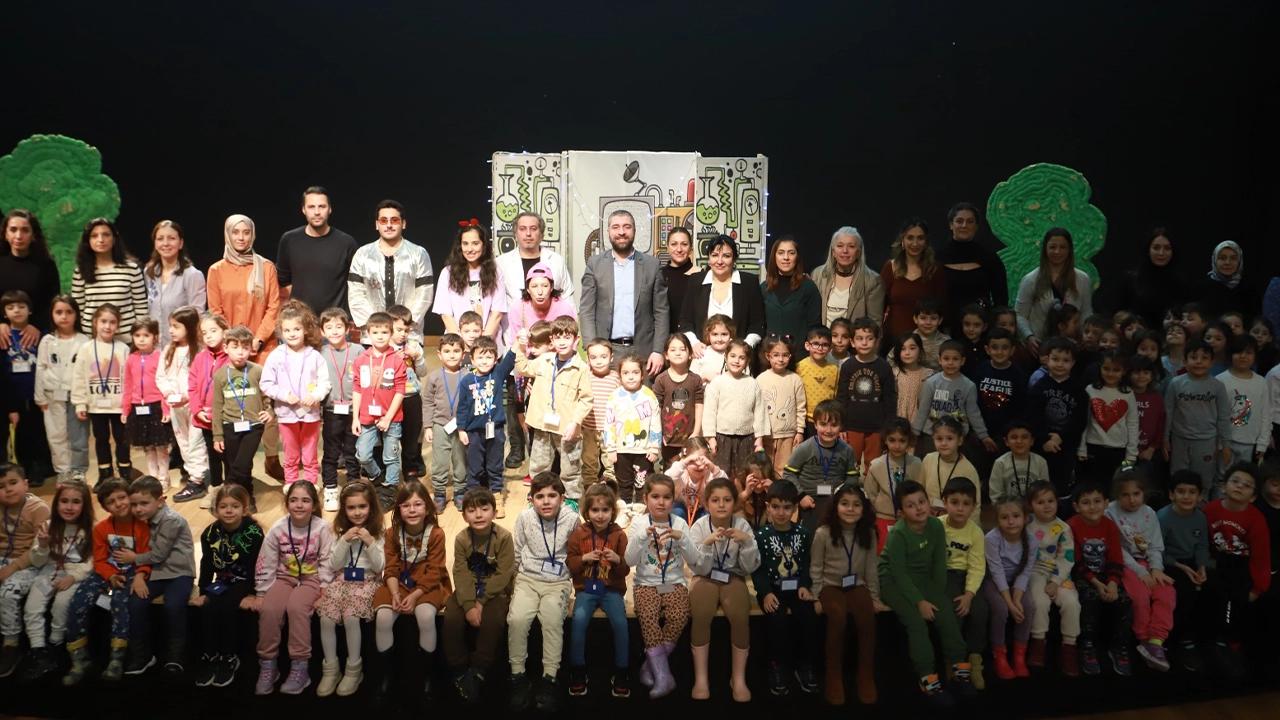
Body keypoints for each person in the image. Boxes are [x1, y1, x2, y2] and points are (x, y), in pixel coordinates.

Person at [878, 480, 976, 708]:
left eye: (922, 501)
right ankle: (928, 679)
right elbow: (899, 574)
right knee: (916, 623)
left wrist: (936, 594)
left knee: (947, 613)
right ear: (901, 512)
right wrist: (920, 602)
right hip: (893, 581)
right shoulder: (898, 534)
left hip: (923, 578)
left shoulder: (935, 526)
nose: (919, 508)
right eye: (911, 505)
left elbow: (939, 563)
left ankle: (959, 670)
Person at [206, 214, 283, 480]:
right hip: (232, 349)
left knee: (266, 403)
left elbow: (274, 307)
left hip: (262, 347)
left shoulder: (266, 267)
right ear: (228, 235)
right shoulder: (216, 270)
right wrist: (234, 344)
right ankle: (238, 466)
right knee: (233, 400)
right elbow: (215, 311)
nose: (241, 237)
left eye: (246, 232)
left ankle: (271, 458)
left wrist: (256, 340)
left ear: (253, 235)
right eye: (236, 232)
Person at [246, 481, 334, 695]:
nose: (299, 505)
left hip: (311, 578)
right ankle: (268, 665)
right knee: (270, 609)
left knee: (297, 607)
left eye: (305, 500)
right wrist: (261, 592)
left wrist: (325, 588)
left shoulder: (322, 528)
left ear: (314, 505)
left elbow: (327, 560)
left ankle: (300, 667)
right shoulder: (278, 528)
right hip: (284, 577)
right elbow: (266, 561)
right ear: (287, 504)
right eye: (293, 500)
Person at [61, 477, 150, 685]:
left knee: (120, 603)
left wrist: (141, 574)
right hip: (106, 573)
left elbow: (147, 557)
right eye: (111, 501)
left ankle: (117, 659)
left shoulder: (143, 527)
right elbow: (100, 560)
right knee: (78, 601)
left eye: (122, 497)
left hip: (132, 572)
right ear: (105, 507)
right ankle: (79, 659)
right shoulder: (101, 529)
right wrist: (110, 575)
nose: (119, 504)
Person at [371, 480, 450, 706]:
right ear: (398, 509)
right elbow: (391, 568)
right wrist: (395, 593)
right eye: (406, 505)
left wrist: (414, 596)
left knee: (425, 616)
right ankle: (387, 676)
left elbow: (435, 571)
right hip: (399, 582)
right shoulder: (391, 533)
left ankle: (427, 676)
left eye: (417, 504)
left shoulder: (436, 534)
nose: (412, 510)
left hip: (426, 583)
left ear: (427, 507)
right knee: (383, 618)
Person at [507, 472, 579, 712]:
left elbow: (576, 554)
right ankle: (517, 676)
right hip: (527, 579)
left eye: (552, 496)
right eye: (540, 496)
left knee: (552, 620)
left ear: (562, 498)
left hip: (558, 582)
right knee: (517, 619)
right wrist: (510, 584)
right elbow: (517, 551)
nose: (546, 501)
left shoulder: (572, 519)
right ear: (531, 499)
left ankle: (549, 678)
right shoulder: (524, 518)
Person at [624, 473, 699, 699]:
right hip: (645, 583)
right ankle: (664, 676)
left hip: (674, 582)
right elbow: (629, 560)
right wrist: (640, 538)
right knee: (647, 616)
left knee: (680, 615)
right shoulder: (638, 523)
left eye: (666, 497)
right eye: (655, 497)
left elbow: (694, 560)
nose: (661, 502)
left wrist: (682, 539)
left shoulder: (680, 523)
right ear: (645, 498)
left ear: (673, 500)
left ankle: (652, 667)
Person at [687, 478, 761, 702]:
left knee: (739, 615)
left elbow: (749, 567)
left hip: (733, 576)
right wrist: (707, 544)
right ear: (706, 503)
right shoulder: (699, 526)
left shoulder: (742, 525)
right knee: (701, 614)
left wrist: (747, 543)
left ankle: (738, 679)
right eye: (715, 500)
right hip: (704, 576)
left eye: (727, 500)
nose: (721, 505)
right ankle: (701, 679)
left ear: (734, 502)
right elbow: (697, 566)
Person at [18, 479, 94, 683]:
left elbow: (91, 562)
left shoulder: (90, 530)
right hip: (49, 571)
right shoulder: (48, 526)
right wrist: (42, 546)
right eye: (64, 501)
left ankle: (55, 645)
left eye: (76, 502)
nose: (69, 507)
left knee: (61, 605)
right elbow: (37, 561)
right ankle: (38, 650)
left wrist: (73, 577)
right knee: (32, 607)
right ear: (56, 503)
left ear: (85, 505)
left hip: (75, 574)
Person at [812, 483, 881, 705]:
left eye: (856, 505)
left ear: (864, 508)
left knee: (867, 618)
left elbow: (871, 568)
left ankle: (865, 675)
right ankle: (833, 676)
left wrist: (874, 596)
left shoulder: (868, 532)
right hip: (830, 586)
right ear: (835, 506)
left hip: (857, 585)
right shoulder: (823, 533)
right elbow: (816, 567)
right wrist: (816, 595)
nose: (850, 509)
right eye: (844, 503)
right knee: (838, 617)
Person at [444, 488, 515, 703]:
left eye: (484, 509)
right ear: (464, 515)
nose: (478, 515)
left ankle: (478, 669)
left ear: (494, 512)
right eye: (472, 510)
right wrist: (468, 605)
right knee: (451, 617)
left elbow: (504, 574)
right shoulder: (462, 538)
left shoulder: (504, 537)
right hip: (469, 587)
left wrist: (481, 603)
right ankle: (458, 668)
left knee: (493, 620)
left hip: (495, 590)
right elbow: (460, 572)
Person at [579, 209, 669, 376]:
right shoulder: (595, 264)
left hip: (644, 354)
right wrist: (592, 348)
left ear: (634, 230)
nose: (621, 232)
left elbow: (661, 312)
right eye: (616, 227)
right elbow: (586, 310)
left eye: (627, 227)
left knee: (644, 394)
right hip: (605, 354)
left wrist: (658, 350)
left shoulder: (652, 265)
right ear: (608, 231)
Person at [121, 476, 196, 677]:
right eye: (134, 504)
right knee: (136, 603)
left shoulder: (171, 520)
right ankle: (142, 654)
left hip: (179, 573)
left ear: (160, 501)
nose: (138, 509)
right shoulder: (140, 520)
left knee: (173, 606)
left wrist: (133, 558)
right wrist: (139, 574)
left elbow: (158, 554)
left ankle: (176, 656)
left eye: (144, 503)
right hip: (154, 572)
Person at [190, 484, 263, 688]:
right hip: (222, 581)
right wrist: (204, 591)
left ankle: (229, 656)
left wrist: (254, 593)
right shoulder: (210, 533)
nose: (229, 511)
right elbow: (207, 563)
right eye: (223, 506)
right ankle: (210, 654)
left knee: (227, 606)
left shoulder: (253, 532)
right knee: (209, 606)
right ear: (216, 510)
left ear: (245, 509)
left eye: (235, 506)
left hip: (245, 581)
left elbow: (257, 565)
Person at [515, 315, 593, 504]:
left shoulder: (581, 368)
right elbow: (523, 368)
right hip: (542, 425)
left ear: (576, 340)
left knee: (570, 467)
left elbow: (586, 399)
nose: (562, 342)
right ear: (551, 340)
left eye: (567, 337)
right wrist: (520, 347)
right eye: (558, 337)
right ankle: (537, 496)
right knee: (538, 465)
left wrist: (575, 422)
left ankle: (572, 500)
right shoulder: (544, 360)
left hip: (567, 428)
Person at [752, 480, 818, 698]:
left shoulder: (803, 533)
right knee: (776, 621)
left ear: (795, 508)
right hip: (773, 590)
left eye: (787, 507)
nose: (781, 512)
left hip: (797, 589)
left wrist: (805, 585)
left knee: (808, 617)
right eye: (776, 507)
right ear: (768, 507)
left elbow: (807, 563)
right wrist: (765, 592)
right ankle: (777, 666)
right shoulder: (761, 535)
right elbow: (758, 569)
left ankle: (805, 664)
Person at [565, 483, 631, 698]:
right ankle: (578, 670)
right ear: (587, 511)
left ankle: (621, 671)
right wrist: (584, 558)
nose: (600, 515)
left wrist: (618, 559)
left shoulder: (619, 535)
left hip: (611, 590)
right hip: (586, 589)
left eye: (605, 510)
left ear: (613, 511)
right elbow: (571, 564)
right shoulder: (579, 533)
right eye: (595, 510)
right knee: (578, 621)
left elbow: (625, 570)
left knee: (621, 623)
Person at [1204, 463, 1271, 675]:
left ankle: (1232, 643)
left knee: (1238, 601)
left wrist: (1258, 587)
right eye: (1235, 481)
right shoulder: (1210, 509)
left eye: (1247, 485)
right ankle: (1211, 640)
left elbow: (1261, 557)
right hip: (1215, 562)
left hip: (1241, 565)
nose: (1239, 486)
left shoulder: (1256, 519)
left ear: (1253, 496)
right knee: (1213, 595)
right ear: (1224, 486)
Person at [1106, 470, 1176, 672]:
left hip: (1147, 563)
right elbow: (1117, 549)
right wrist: (1140, 571)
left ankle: (1156, 642)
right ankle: (1144, 639)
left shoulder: (1149, 513)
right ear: (1117, 496)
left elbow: (1155, 546)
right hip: (1125, 564)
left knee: (1167, 592)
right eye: (1125, 495)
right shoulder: (1110, 512)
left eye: (1136, 494)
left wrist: (1156, 569)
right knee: (1140, 596)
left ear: (1143, 493)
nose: (1132, 500)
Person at [260, 301, 330, 492]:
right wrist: (283, 395)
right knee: (290, 452)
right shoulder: (276, 356)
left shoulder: (315, 356)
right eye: (287, 330)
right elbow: (266, 383)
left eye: (296, 329)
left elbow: (324, 382)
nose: (292, 334)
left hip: (310, 413)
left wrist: (315, 395)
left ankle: (311, 482)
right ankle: (290, 481)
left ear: (305, 329)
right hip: (286, 414)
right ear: (281, 332)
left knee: (310, 450)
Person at [1069, 482, 1135, 676]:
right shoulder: (1071, 526)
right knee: (1089, 598)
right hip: (1082, 575)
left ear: (1106, 503)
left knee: (1124, 600)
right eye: (1086, 502)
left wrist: (1113, 583)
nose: (1092, 507)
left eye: (1097, 501)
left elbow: (1116, 559)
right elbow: (1076, 563)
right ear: (1076, 506)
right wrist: (1097, 584)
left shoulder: (1110, 526)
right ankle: (1087, 644)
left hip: (1107, 574)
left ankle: (1119, 645)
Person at [347, 199, 435, 345]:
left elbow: (424, 294)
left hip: (408, 335)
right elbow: (356, 295)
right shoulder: (362, 254)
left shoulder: (418, 254)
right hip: (373, 337)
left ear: (403, 223)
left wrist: (405, 325)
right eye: (383, 220)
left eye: (394, 220)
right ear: (377, 224)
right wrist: (376, 327)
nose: (389, 225)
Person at [350, 312, 408, 509]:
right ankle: (377, 478)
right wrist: (355, 418)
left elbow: (400, 391)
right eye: (375, 332)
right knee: (363, 455)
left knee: (390, 456)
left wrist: (388, 418)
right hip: (367, 416)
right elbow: (357, 389)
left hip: (391, 418)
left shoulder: (396, 360)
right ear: (368, 334)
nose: (380, 336)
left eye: (384, 332)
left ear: (390, 333)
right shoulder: (361, 360)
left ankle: (391, 489)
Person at [1025, 480, 1081, 675]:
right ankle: (1038, 642)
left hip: (1059, 572)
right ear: (1031, 505)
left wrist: (1056, 582)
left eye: (1050, 501)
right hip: (1034, 571)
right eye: (1040, 502)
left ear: (1057, 502)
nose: (1046, 506)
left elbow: (1067, 557)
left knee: (1072, 602)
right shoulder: (1027, 524)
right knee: (1039, 601)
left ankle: (1069, 647)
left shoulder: (1063, 528)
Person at [211, 327, 272, 507]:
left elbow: (268, 395)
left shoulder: (257, 371)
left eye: (245, 348)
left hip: (254, 425)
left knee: (243, 463)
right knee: (233, 463)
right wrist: (217, 435)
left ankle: (228, 492)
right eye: (235, 347)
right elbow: (217, 406)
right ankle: (243, 497)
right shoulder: (220, 375)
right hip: (230, 425)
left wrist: (269, 411)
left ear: (251, 349)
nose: (240, 352)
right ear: (225, 348)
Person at [0, 464, 51, 677]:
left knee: (7, 592)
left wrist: (12, 568)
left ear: (26, 484)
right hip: (3, 558)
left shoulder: (38, 509)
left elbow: (39, 551)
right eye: (1, 486)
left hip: (29, 563)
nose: (8, 489)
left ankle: (11, 643)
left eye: (13, 483)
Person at [70, 304, 132, 479]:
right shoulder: (86, 348)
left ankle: (125, 472)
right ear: (95, 323)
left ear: (118, 325)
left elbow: (129, 379)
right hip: (96, 406)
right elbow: (78, 377)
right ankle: (105, 474)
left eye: (112, 322)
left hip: (119, 406)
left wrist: (128, 404)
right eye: (103, 321)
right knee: (101, 439)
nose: (107, 326)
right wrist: (80, 403)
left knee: (122, 439)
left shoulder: (123, 348)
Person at [275, 186, 359, 315]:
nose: (317, 212)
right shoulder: (289, 240)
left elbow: (357, 285)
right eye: (311, 207)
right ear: (303, 209)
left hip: (334, 321)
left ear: (330, 209)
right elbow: (283, 282)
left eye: (322, 206)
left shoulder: (346, 243)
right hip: (300, 320)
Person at [456, 337, 517, 514]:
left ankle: (496, 497)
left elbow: (509, 360)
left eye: (489, 357)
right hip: (474, 432)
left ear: (495, 359)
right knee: (475, 467)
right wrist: (461, 429)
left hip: (495, 431)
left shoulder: (497, 374)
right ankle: (474, 499)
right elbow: (462, 407)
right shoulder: (466, 381)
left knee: (495, 465)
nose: (484, 361)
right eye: (480, 357)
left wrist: (517, 343)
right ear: (472, 359)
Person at [678, 234, 766, 355]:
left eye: (726, 256)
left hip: (740, 357)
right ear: (709, 259)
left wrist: (745, 346)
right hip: (702, 356)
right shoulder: (695, 281)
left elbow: (757, 324)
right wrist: (694, 343)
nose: (719, 261)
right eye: (714, 255)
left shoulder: (749, 283)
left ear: (734, 259)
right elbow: (685, 321)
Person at [939, 477, 989, 687]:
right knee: (955, 610)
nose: (960, 508)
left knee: (980, 610)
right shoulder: (937, 525)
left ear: (973, 507)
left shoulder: (975, 532)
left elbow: (977, 566)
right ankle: (954, 659)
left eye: (966, 503)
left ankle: (975, 659)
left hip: (968, 576)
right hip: (945, 574)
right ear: (944, 502)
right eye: (954, 502)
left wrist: (969, 594)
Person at [173, 313, 228, 504]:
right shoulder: (200, 358)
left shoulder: (230, 357)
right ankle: (215, 490)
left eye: (213, 331)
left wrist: (220, 413)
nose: (209, 336)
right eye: (205, 333)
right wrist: (197, 410)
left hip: (225, 418)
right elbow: (193, 386)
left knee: (227, 456)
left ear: (224, 331)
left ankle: (231, 492)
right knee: (212, 456)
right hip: (204, 418)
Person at [1164, 339, 1231, 493]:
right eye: (1194, 357)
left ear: (1212, 362)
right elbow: (1168, 413)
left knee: (1204, 479)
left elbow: (1223, 417)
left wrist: (1225, 445)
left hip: (1206, 441)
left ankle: (1202, 504)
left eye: (1204, 358)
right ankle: (1177, 504)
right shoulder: (1175, 383)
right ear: (1184, 361)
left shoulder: (1217, 386)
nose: (1199, 362)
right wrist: (1165, 439)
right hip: (1180, 439)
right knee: (1178, 476)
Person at [34, 295, 89, 483]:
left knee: (79, 436)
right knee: (56, 435)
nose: (64, 316)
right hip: (51, 395)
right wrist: (39, 396)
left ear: (76, 314)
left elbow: (86, 371)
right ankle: (63, 470)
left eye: (69, 312)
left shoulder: (83, 341)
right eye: (59, 312)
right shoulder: (47, 341)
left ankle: (78, 470)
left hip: (76, 396)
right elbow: (41, 368)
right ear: (52, 314)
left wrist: (85, 398)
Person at [783, 400, 859, 530]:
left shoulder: (847, 450)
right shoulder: (804, 448)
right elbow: (788, 474)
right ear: (815, 425)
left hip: (836, 501)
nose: (828, 430)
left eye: (834, 425)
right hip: (809, 500)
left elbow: (853, 477)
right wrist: (801, 496)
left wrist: (843, 496)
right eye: (823, 424)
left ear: (841, 426)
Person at [2, 290, 52, 483]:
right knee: (21, 433)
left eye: (21, 306)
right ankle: (27, 468)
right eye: (11, 307)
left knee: (39, 429)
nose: (17, 311)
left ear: (30, 310)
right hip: (14, 392)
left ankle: (43, 466)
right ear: (4, 313)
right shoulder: (4, 335)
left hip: (37, 391)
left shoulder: (40, 335)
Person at [70, 218, 148, 342]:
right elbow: (78, 309)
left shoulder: (131, 269)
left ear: (114, 238)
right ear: (88, 241)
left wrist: (140, 336)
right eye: (94, 236)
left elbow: (141, 307)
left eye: (106, 235)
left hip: (126, 340)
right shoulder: (80, 271)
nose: (101, 240)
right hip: (92, 340)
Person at [1015, 227, 1094, 350]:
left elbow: (1086, 312)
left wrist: (1085, 335)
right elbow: (1020, 315)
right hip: (1040, 346)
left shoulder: (1082, 279)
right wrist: (1029, 337)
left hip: (1072, 347)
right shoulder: (1030, 280)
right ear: (1045, 249)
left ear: (1069, 250)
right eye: (1052, 247)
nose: (1057, 251)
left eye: (1063, 247)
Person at [984, 498, 1037, 680]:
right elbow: (996, 571)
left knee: (1028, 606)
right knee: (1001, 608)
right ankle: (999, 653)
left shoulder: (1031, 540)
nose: (1011, 521)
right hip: (993, 581)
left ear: (1025, 518)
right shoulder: (991, 539)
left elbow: (1025, 571)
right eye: (1004, 517)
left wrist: (1017, 599)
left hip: (1016, 581)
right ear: (997, 520)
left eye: (1016, 516)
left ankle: (1019, 654)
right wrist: (1010, 603)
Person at [1029, 337, 1088, 498]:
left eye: (1065, 360)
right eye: (1055, 359)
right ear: (1047, 360)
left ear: (1073, 363)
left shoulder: (1079, 390)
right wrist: (1045, 439)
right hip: (1042, 444)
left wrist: (1061, 437)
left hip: (1066, 446)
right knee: (1040, 485)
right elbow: (1033, 416)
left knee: (1061, 485)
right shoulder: (1039, 387)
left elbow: (1079, 420)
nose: (1060, 364)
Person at [703, 340, 769, 481]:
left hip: (746, 439)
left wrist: (759, 439)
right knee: (721, 474)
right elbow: (709, 411)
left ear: (747, 361)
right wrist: (710, 438)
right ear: (726, 357)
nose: (736, 361)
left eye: (741, 357)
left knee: (743, 475)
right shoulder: (717, 382)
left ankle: (743, 495)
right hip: (722, 438)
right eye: (733, 356)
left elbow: (759, 412)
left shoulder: (753, 383)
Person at [433, 220, 508, 343]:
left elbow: (497, 313)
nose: (470, 249)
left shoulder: (495, 272)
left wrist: (482, 344)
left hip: (488, 344)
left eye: (475, 243)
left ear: (484, 245)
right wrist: (461, 343)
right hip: (457, 344)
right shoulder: (447, 273)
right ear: (460, 246)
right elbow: (446, 314)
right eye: (465, 244)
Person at [497, 212, 575, 328]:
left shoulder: (557, 261)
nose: (528, 233)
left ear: (541, 234)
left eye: (533, 229)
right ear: (515, 234)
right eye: (522, 229)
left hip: (552, 331)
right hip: (515, 331)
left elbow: (567, 298)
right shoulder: (501, 263)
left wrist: (572, 330)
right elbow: (497, 304)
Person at [156, 307, 205, 492]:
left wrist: (189, 396)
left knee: (196, 441)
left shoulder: (200, 351)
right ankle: (192, 475)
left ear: (189, 327)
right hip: (176, 405)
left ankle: (198, 478)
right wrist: (169, 393)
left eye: (176, 326)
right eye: (170, 326)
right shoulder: (168, 350)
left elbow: (203, 380)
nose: (171, 330)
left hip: (195, 405)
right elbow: (161, 376)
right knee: (182, 441)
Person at [837, 318, 895, 472]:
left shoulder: (884, 367)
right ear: (852, 342)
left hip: (877, 427)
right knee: (850, 464)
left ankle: (871, 488)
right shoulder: (848, 366)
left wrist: (888, 427)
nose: (864, 343)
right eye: (859, 338)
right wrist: (841, 425)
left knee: (874, 466)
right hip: (851, 425)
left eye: (869, 339)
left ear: (877, 342)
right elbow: (841, 397)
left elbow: (890, 399)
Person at [605, 354, 663, 504]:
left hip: (644, 451)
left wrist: (654, 447)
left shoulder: (649, 396)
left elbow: (655, 423)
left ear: (642, 375)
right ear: (620, 376)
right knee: (624, 485)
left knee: (642, 484)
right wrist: (610, 448)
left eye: (635, 372)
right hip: (621, 451)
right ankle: (626, 511)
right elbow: (609, 423)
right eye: (626, 373)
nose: (631, 377)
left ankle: (641, 511)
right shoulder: (614, 397)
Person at [938, 202, 1007, 330]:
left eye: (970, 221)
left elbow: (1001, 299)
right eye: (959, 221)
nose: (964, 225)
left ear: (976, 226)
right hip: (945, 329)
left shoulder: (990, 258)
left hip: (980, 329)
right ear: (951, 225)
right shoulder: (937, 257)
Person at [1078, 351, 1140, 486]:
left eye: (1116, 370)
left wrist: (1131, 455)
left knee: (1114, 486)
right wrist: (1082, 447)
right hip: (1093, 447)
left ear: (1124, 371)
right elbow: (1083, 421)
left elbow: (1133, 424)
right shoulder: (1090, 390)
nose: (1110, 374)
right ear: (1100, 368)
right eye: (1106, 369)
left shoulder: (1128, 393)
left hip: (1118, 450)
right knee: (1091, 485)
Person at [318, 308, 359, 510]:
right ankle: (331, 488)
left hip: (354, 410)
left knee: (352, 450)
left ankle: (353, 486)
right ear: (322, 331)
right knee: (331, 451)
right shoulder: (319, 353)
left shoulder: (358, 351)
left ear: (348, 328)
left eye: (339, 326)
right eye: (329, 327)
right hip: (331, 410)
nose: (334, 331)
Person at [0, 209, 61, 344]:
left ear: (33, 235)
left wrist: (37, 325)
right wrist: (0, 323)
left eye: (25, 230)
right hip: (3, 335)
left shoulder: (46, 265)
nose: (18, 236)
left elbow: (52, 301)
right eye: (13, 230)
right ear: (5, 234)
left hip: (35, 335)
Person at [881, 218, 947, 340]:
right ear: (902, 240)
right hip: (893, 339)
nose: (915, 243)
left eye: (920, 238)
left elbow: (942, 306)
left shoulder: (935, 270)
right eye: (910, 238)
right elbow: (880, 306)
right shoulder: (890, 267)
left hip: (926, 341)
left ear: (926, 242)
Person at [120, 318, 169, 482]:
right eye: (137, 335)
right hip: (137, 407)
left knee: (160, 445)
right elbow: (128, 385)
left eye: (146, 335)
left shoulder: (160, 357)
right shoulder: (131, 358)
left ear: (155, 336)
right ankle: (152, 477)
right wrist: (125, 409)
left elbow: (164, 384)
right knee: (147, 446)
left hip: (156, 406)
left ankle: (163, 477)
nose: (141, 339)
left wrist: (166, 408)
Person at [423, 333, 468, 512]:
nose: (452, 355)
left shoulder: (468, 376)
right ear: (439, 354)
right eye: (447, 351)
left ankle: (460, 492)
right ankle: (439, 494)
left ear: (463, 354)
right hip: (440, 425)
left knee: (460, 460)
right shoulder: (434, 377)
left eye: (456, 351)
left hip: (461, 426)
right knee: (439, 462)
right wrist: (428, 426)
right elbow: (427, 402)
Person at [143, 220, 207, 344]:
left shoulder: (192, 275)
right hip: (154, 347)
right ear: (155, 243)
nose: (165, 243)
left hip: (182, 346)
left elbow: (197, 316)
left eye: (171, 238)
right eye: (160, 239)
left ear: (180, 243)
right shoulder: (149, 273)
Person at [1112, 228, 1186, 330]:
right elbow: (1117, 314)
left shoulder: (1180, 281)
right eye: (1156, 248)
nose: (1161, 253)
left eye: (1167, 248)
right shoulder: (1131, 279)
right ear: (1148, 250)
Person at [811, 226, 884, 325]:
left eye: (851, 246)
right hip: (822, 334)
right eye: (840, 246)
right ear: (833, 252)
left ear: (858, 252)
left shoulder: (872, 281)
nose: (845, 251)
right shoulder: (818, 275)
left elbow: (875, 324)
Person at [757, 335, 806, 476]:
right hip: (766, 435)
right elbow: (757, 409)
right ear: (768, 356)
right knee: (765, 470)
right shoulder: (761, 379)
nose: (780, 359)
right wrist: (758, 434)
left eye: (785, 355)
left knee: (784, 470)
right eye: (776, 355)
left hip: (788, 435)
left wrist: (800, 431)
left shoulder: (795, 379)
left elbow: (801, 407)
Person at [653, 334, 703, 464]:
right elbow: (656, 408)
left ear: (690, 354)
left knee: (691, 469)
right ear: (666, 355)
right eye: (673, 349)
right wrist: (659, 434)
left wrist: (696, 432)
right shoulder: (661, 379)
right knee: (670, 472)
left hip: (690, 438)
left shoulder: (696, 380)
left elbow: (699, 406)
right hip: (668, 439)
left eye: (682, 349)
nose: (678, 353)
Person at [990, 421, 1050, 503]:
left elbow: (1045, 492)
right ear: (1006, 441)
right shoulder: (1000, 463)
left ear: (1032, 441)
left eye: (1024, 437)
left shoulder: (1040, 462)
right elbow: (996, 495)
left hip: (1034, 508)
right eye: (1014, 437)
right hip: (1009, 509)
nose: (1019, 441)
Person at [1195, 241, 1257, 319]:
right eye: (1222, 258)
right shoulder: (1202, 287)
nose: (1227, 262)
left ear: (1239, 261)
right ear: (1215, 260)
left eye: (1233, 258)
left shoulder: (1248, 288)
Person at [661, 226, 701, 337]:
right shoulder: (659, 275)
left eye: (684, 244)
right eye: (674, 244)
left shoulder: (700, 275)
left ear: (691, 248)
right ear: (667, 247)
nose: (679, 249)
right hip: (665, 340)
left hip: (694, 340)